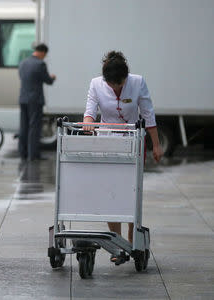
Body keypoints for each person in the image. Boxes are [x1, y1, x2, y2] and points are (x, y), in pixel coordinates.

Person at [83, 51, 163, 263]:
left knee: (132, 191)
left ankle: (132, 236)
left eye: (120, 84)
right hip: (108, 143)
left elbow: (148, 114)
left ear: (126, 78)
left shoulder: (138, 82)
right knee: (110, 192)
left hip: (133, 142)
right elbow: (90, 111)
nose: (117, 88)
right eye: (112, 85)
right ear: (105, 80)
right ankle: (117, 243)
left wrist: (156, 144)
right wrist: (88, 123)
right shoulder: (96, 84)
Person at [18, 43, 56, 161]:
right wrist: (52, 77)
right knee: (34, 127)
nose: (44, 57)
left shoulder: (23, 63)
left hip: (23, 98)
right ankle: (33, 155)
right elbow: (48, 80)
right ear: (42, 52)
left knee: (23, 126)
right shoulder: (40, 64)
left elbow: (22, 77)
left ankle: (23, 153)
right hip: (35, 100)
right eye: (45, 55)